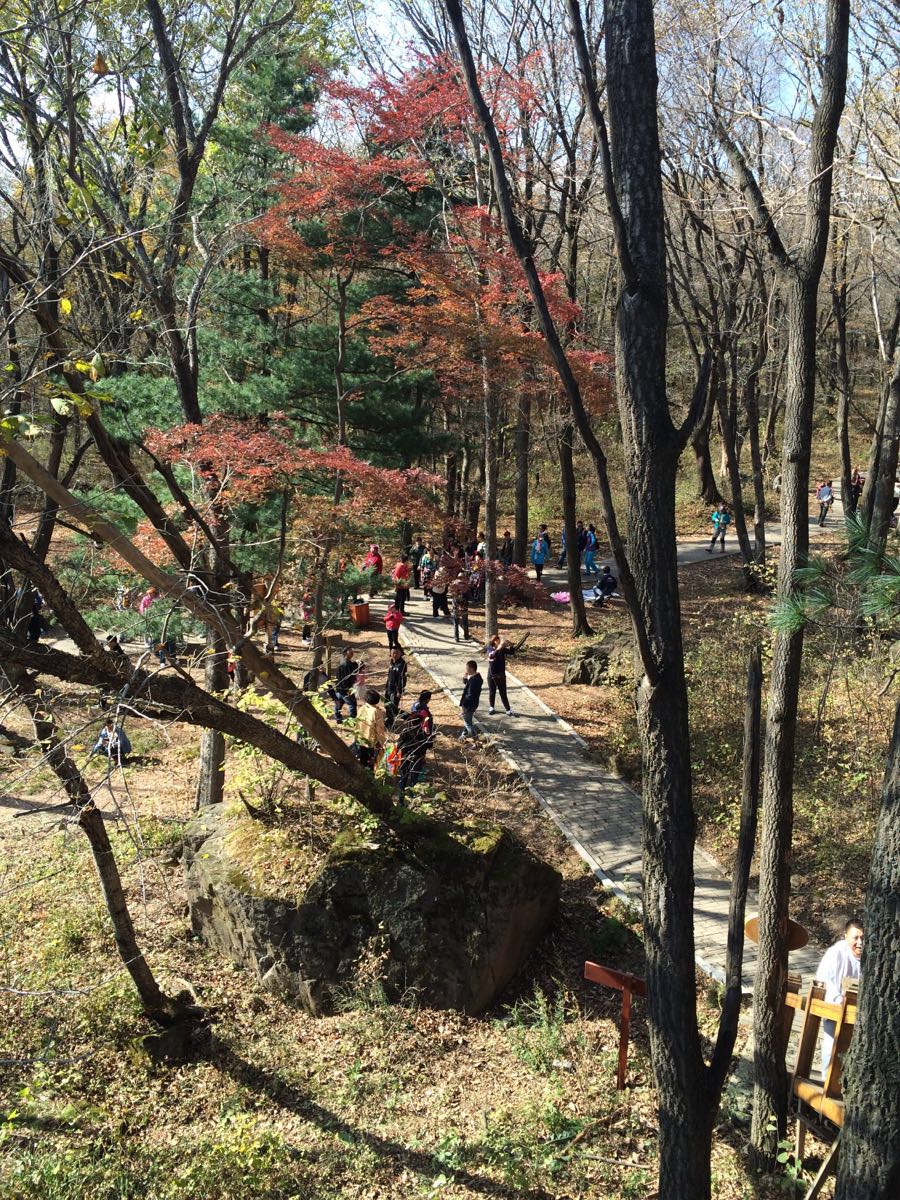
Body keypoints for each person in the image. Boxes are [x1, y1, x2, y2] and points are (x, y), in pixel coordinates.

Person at [815, 919, 863, 1071]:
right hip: (835, 1007)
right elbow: (823, 979)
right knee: (832, 1050)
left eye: (863, 938)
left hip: (859, 1014)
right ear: (846, 936)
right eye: (856, 938)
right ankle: (826, 1083)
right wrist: (838, 1000)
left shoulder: (871, 956)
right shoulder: (836, 953)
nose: (860, 942)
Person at [354, 689, 386, 768]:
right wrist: (382, 742)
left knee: (363, 759)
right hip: (371, 741)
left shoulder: (362, 708)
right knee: (371, 762)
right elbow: (380, 729)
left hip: (360, 739)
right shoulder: (377, 712)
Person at [486, 634, 516, 715]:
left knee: (503, 692)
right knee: (492, 691)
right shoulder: (489, 649)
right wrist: (498, 648)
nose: (498, 641)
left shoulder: (502, 649)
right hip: (491, 674)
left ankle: (508, 710)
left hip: (501, 674)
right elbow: (492, 656)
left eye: (498, 639)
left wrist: (511, 645)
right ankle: (491, 707)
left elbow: (511, 652)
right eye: (496, 640)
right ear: (493, 641)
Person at [332, 648, 359, 722]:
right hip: (345, 688)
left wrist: (355, 664)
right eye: (350, 652)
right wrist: (356, 665)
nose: (352, 653)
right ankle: (352, 721)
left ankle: (338, 718)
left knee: (339, 703)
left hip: (340, 688)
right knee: (352, 704)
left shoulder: (345, 662)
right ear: (345, 654)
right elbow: (351, 674)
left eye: (352, 652)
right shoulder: (345, 664)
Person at [459, 659, 483, 739]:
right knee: (468, 720)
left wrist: (463, 707)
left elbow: (469, 695)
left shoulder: (473, 681)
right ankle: (464, 734)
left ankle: (476, 740)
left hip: (469, 705)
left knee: (467, 723)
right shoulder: (477, 678)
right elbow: (468, 686)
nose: (466, 670)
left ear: (472, 669)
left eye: (467, 669)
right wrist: (465, 678)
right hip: (473, 704)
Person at [384, 646, 408, 728]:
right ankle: (389, 720)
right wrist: (386, 686)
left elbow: (402, 679)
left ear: (400, 653)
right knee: (387, 705)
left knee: (393, 708)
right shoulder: (391, 662)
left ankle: (407, 717)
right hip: (388, 688)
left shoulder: (402, 664)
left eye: (396, 653)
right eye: (393, 653)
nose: (394, 655)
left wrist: (400, 691)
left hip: (395, 691)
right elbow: (389, 675)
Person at [452, 577, 470, 642]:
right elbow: (468, 597)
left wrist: (456, 605)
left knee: (456, 622)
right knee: (465, 622)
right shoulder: (466, 586)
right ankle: (466, 636)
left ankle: (456, 637)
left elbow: (454, 597)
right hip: (464, 607)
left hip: (456, 607)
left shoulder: (454, 585)